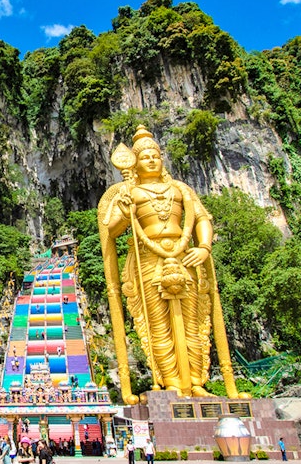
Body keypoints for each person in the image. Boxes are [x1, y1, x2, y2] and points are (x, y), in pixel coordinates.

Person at [98, 125, 244, 402]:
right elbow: (111, 230)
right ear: (136, 163)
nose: (151, 159)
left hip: (184, 255)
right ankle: (172, 383)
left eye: (155, 154)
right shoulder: (129, 193)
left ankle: (197, 382)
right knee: (157, 325)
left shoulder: (180, 189)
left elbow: (202, 218)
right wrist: (127, 213)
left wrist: (203, 247)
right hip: (149, 260)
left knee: (193, 322)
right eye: (145, 156)